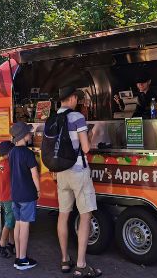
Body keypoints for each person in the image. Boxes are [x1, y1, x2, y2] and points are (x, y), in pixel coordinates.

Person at [55, 87, 101, 277]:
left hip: (61, 172)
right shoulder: (77, 118)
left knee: (63, 215)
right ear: (72, 98)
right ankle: (81, 264)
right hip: (78, 172)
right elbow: (86, 148)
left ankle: (65, 259)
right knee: (85, 215)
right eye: (77, 98)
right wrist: (92, 133)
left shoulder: (53, 118)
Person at [9, 122, 40, 271]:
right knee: (25, 225)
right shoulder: (28, 153)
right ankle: (22, 259)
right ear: (23, 135)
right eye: (29, 132)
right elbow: (34, 174)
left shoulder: (12, 152)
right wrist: (39, 190)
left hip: (15, 194)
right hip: (27, 194)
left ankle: (18, 257)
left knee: (18, 224)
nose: (31, 134)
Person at [0, 140, 16, 259]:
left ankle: (11, 243)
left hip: (4, 196)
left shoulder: (2, 163)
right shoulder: (9, 164)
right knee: (9, 221)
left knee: (11, 220)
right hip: (9, 197)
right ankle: (1, 243)